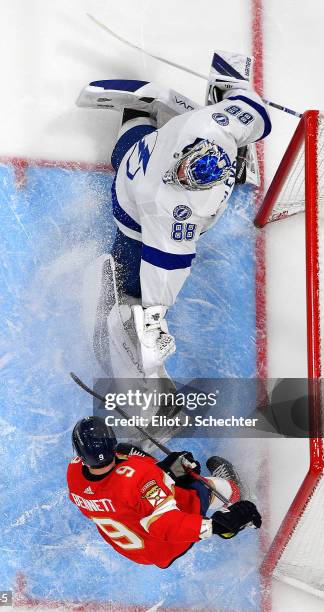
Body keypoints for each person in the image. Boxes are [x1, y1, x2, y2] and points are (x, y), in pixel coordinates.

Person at [77, 52, 272, 378]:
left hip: (148, 163)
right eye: (182, 172)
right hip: (135, 210)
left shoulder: (212, 127)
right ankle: (139, 110)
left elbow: (256, 115)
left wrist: (237, 94)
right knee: (132, 275)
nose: (180, 177)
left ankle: (138, 114)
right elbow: (166, 263)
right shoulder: (171, 204)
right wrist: (153, 318)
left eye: (188, 178)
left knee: (128, 147)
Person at [67, 416, 262, 569]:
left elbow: (120, 494)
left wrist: (165, 472)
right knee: (196, 490)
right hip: (165, 545)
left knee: (129, 451)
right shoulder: (141, 476)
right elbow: (164, 525)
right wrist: (218, 525)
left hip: (135, 548)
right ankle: (235, 491)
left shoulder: (74, 473)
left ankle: (171, 479)